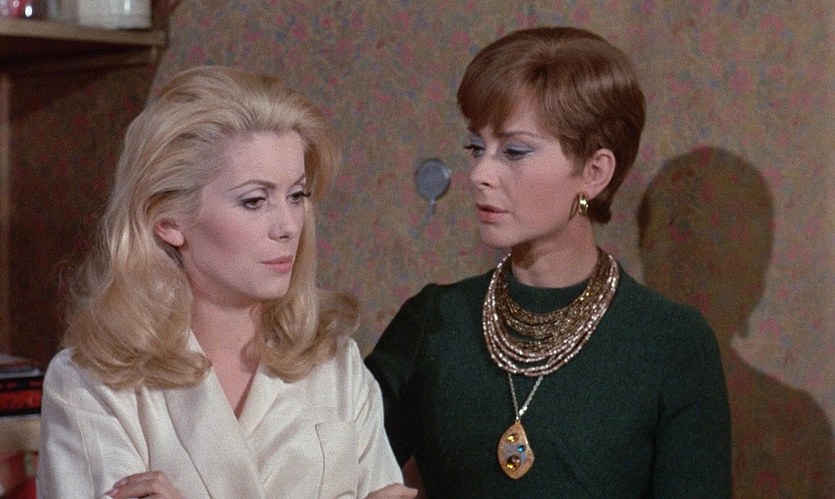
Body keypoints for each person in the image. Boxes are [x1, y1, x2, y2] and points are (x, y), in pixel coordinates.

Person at [365, 26, 731, 497]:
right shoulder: (433, 323)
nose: (479, 174)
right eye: (476, 148)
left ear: (594, 172)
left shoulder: (670, 344)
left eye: (514, 151)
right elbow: (324, 468)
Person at [37, 66, 416, 499]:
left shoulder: (337, 368)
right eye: (254, 201)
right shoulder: (91, 384)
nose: (289, 226)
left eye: (296, 196)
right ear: (168, 222)